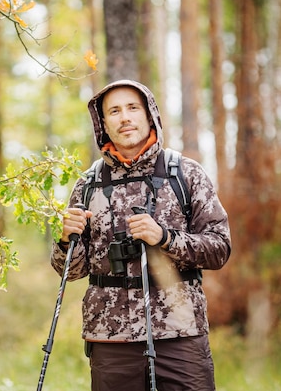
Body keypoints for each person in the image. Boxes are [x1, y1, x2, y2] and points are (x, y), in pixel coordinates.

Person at [51, 79, 231, 391]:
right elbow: (71, 271)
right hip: (110, 338)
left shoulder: (185, 173)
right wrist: (67, 239)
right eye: (115, 111)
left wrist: (165, 238)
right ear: (103, 124)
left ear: (149, 115)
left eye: (133, 108)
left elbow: (220, 248)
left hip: (180, 333)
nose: (125, 117)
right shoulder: (88, 184)